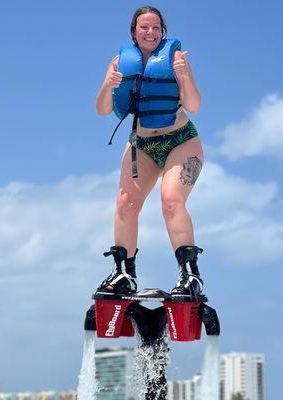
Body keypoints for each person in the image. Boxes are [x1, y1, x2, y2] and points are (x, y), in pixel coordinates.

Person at [95, 6, 204, 298]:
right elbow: (103, 109)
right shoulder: (119, 62)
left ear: (163, 31)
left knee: (170, 201)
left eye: (156, 28)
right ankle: (124, 274)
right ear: (134, 31)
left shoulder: (176, 58)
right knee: (125, 203)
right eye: (144, 27)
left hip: (180, 140)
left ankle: (190, 276)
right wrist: (108, 85)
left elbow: (194, 105)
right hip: (141, 143)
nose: (150, 33)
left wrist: (184, 75)